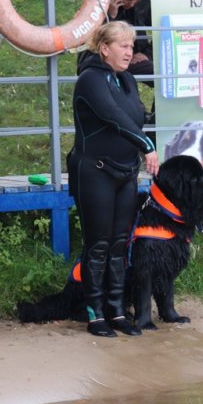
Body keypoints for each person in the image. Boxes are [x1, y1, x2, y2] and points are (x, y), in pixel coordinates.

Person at [68, 21, 159, 338]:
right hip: (94, 171)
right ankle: (95, 315)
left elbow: (136, 118)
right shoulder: (90, 80)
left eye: (131, 46)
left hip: (124, 172)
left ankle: (118, 311)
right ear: (104, 48)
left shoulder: (128, 80)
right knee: (98, 244)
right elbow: (113, 117)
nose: (129, 51)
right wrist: (148, 147)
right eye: (123, 45)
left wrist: (144, 144)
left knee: (120, 244)